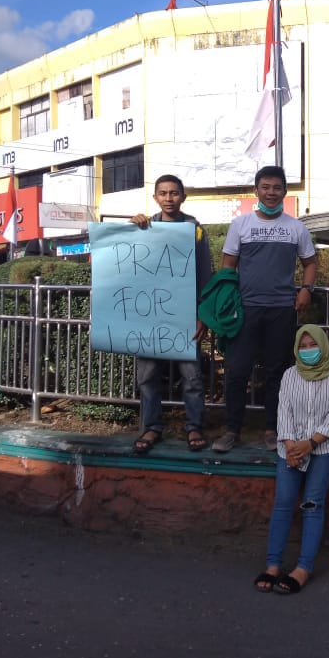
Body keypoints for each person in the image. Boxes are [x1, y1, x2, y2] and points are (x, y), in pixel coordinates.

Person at [212, 166, 318, 453]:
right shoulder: (240, 224)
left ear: (285, 191)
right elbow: (228, 266)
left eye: (277, 187)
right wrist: (227, 301)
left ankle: (273, 430)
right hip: (246, 310)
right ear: (256, 190)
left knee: (277, 373)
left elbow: (310, 263)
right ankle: (232, 430)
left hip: (282, 310)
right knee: (237, 372)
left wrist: (306, 289)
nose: (271, 193)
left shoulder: (296, 227)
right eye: (266, 187)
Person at [253, 324, 329, 595]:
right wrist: (290, 446)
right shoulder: (290, 375)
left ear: (323, 345)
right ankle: (273, 565)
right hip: (291, 447)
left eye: (313, 345)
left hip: (324, 448)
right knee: (283, 502)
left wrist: (311, 443)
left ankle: (303, 568)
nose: (308, 350)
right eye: (303, 346)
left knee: (312, 503)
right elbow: (283, 411)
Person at [128, 174, 213, 453]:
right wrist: (131, 227)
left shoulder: (195, 230)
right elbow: (127, 263)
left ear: (183, 197)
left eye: (174, 193)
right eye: (163, 193)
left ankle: (194, 426)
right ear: (155, 198)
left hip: (184, 315)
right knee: (147, 376)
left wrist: (202, 315)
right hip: (149, 314)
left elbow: (204, 273)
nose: (168, 198)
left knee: (192, 377)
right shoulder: (144, 227)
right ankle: (151, 427)